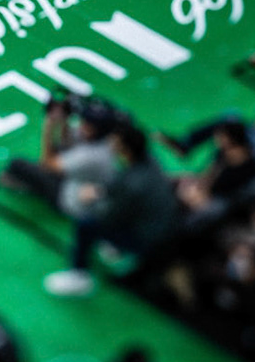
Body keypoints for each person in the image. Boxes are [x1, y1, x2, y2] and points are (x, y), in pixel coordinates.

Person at [46, 124, 179, 296]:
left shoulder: (132, 184)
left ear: (126, 150)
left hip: (149, 240)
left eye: (115, 143)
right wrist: (104, 191)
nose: (110, 144)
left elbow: (109, 216)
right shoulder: (150, 161)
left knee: (86, 224)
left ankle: (79, 276)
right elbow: (122, 187)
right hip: (163, 226)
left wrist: (96, 198)